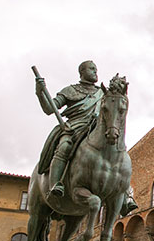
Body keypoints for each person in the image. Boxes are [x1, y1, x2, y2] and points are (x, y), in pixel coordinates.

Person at [34, 60, 137, 214]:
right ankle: (55, 185)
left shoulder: (103, 93)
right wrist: (40, 92)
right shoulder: (71, 90)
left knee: (119, 154)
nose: (95, 72)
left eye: (96, 69)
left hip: (99, 127)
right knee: (64, 146)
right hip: (76, 127)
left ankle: (125, 196)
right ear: (82, 72)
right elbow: (50, 108)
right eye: (91, 69)